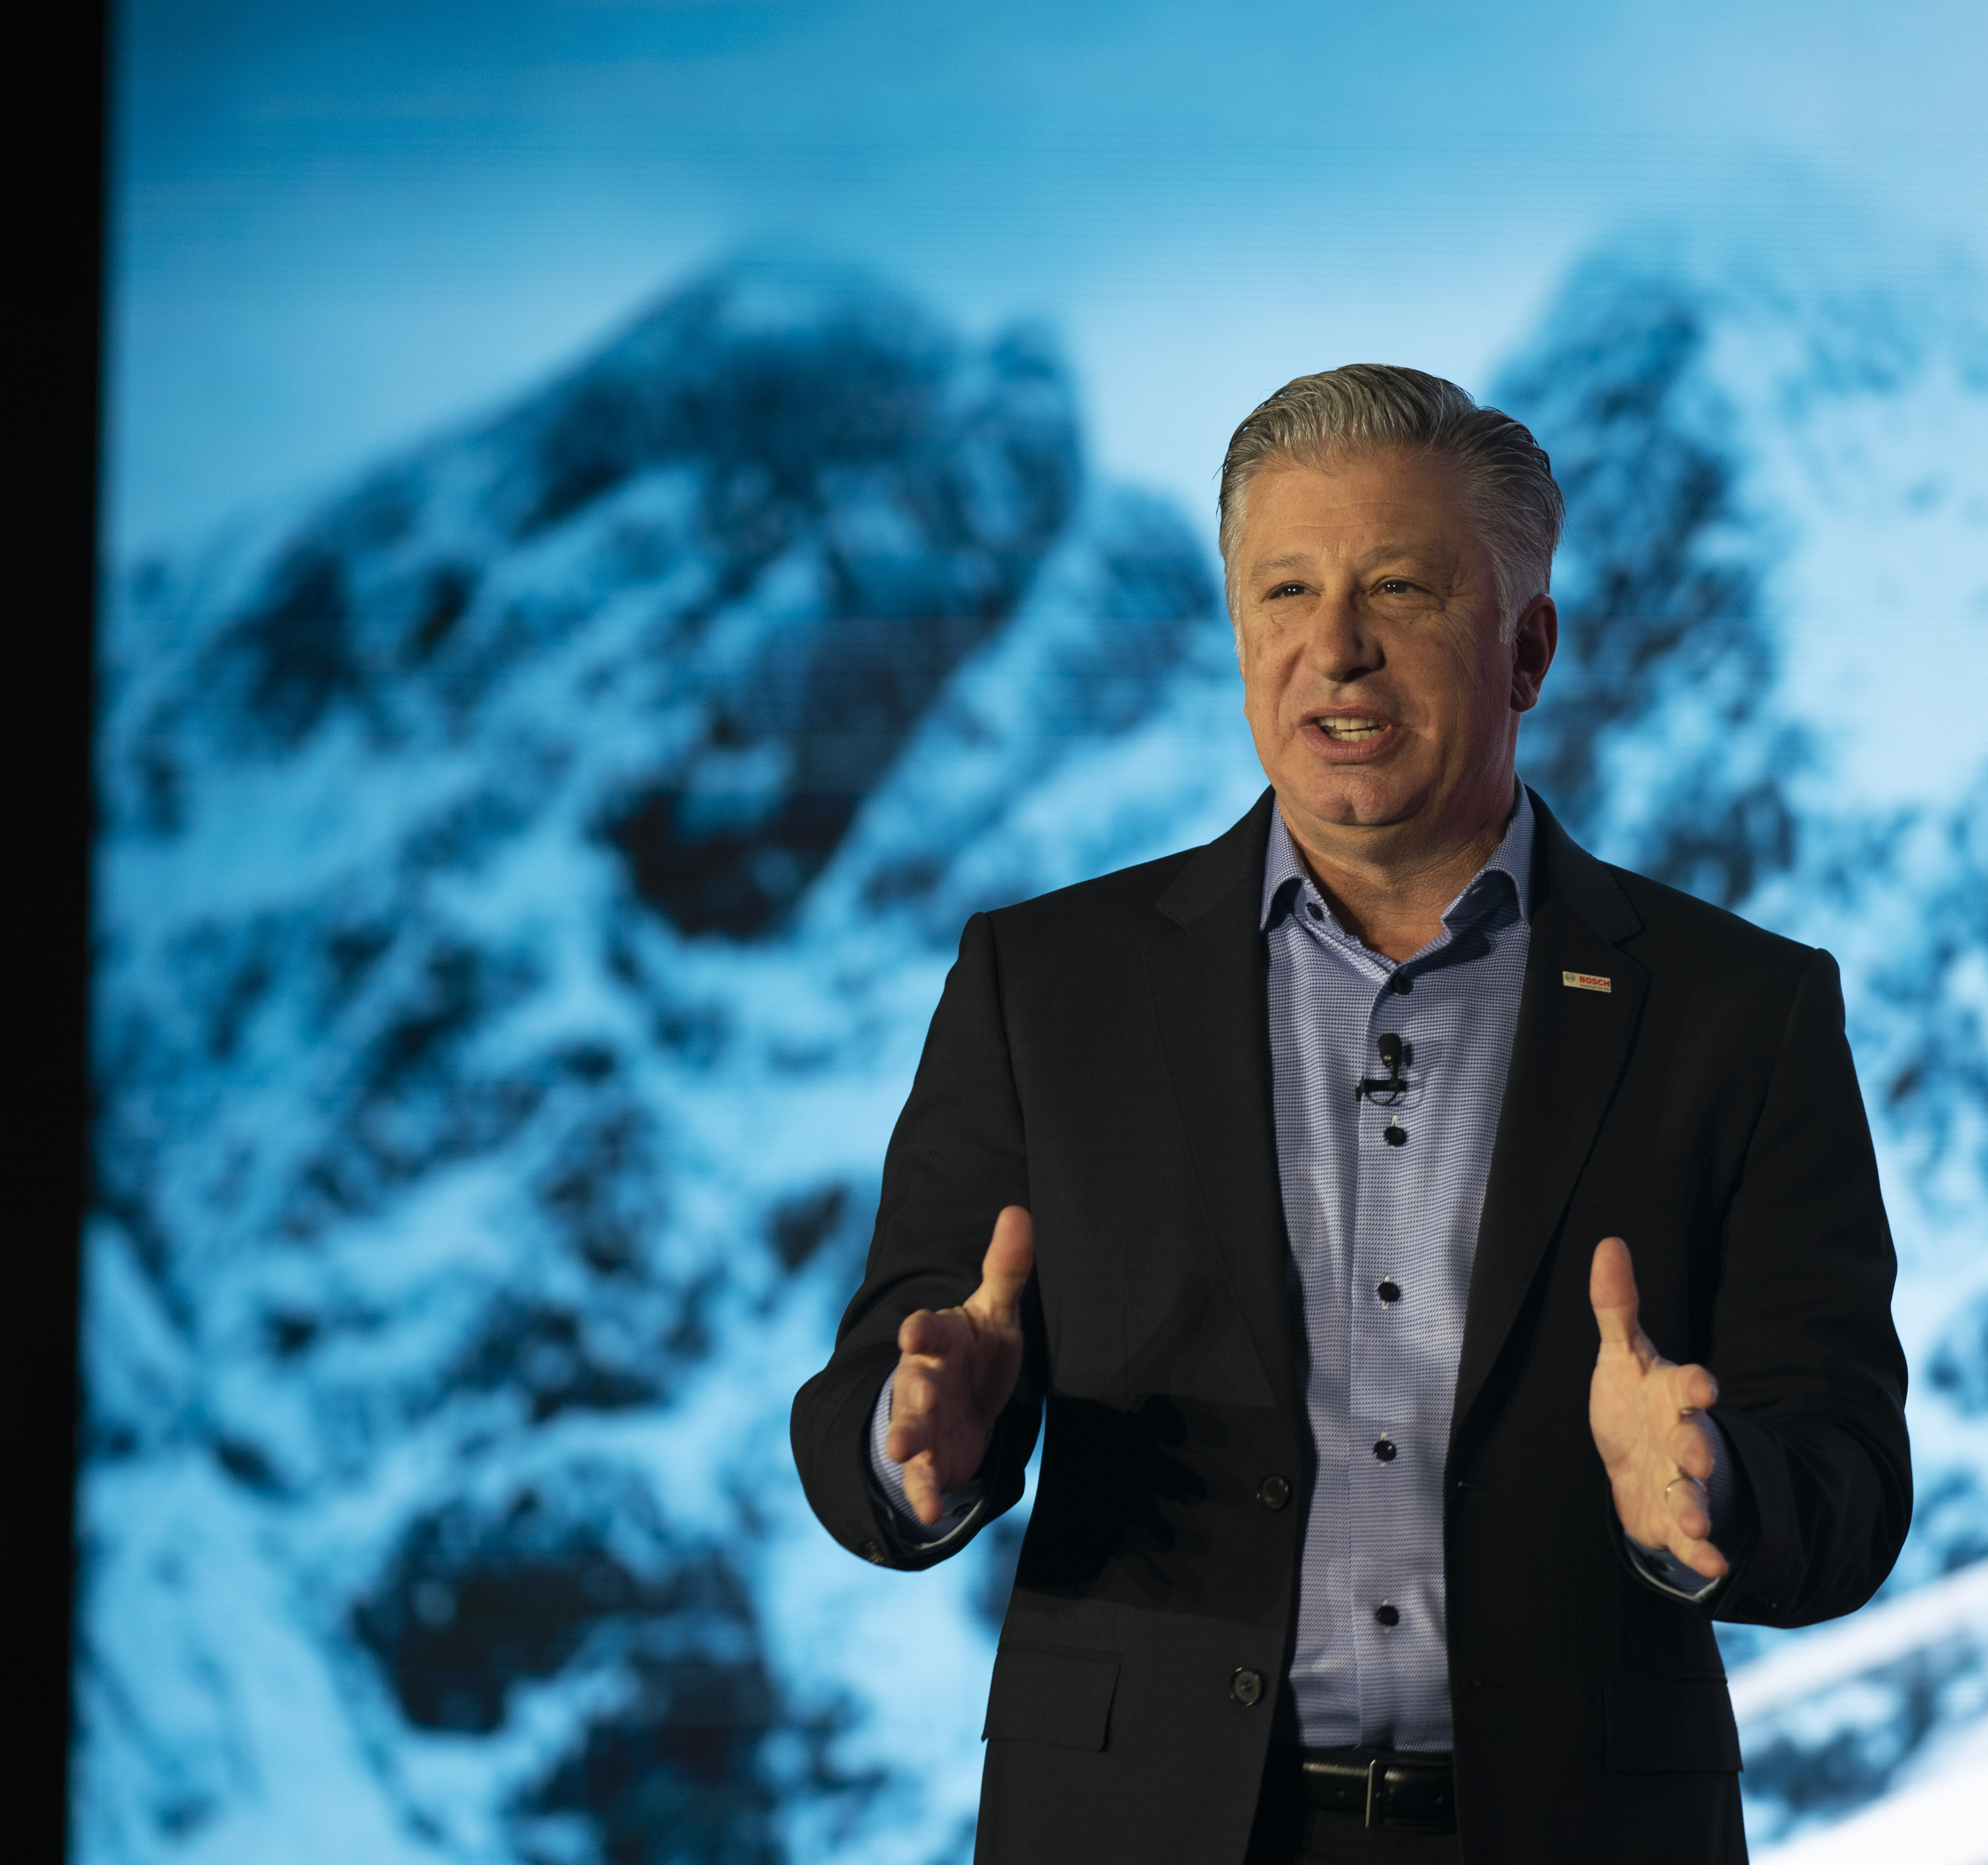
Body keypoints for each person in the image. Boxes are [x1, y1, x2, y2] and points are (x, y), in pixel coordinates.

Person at [791, 364, 1909, 1862]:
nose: (1336, 649)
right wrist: (914, 1436)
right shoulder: (1047, 985)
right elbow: (872, 1397)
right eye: (1287, 593)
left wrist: (1710, 1493)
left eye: (1399, 588)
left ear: (1527, 649)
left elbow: (1849, 1480)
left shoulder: (1738, 1012)